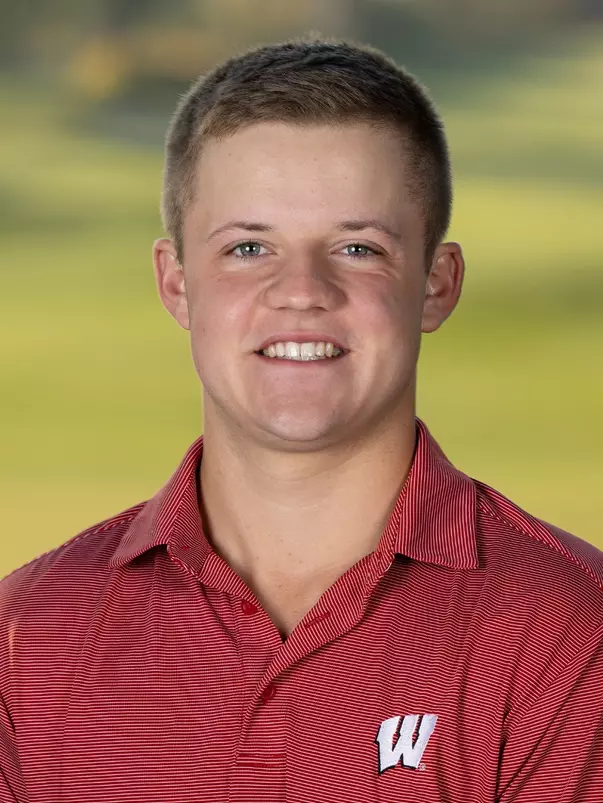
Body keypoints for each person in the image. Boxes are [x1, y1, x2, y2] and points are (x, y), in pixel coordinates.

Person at [1, 36, 601, 803]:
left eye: (357, 247)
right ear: (176, 283)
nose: (301, 290)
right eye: (249, 247)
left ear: (435, 285)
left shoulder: (570, 631)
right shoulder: (29, 634)